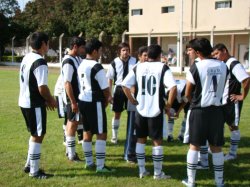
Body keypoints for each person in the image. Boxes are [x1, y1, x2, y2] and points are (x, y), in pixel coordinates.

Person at [122, 44, 177, 179]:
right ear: (159, 55)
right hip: (156, 109)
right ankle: (157, 173)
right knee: (157, 141)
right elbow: (173, 87)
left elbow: (124, 85)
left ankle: (142, 170)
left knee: (140, 140)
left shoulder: (138, 66)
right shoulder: (163, 67)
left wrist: (133, 100)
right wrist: (168, 105)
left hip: (140, 109)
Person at [181, 38, 228, 187]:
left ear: (198, 52)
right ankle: (219, 182)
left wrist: (192, 101)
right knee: (216, 147)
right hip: (216, 111)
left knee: (194, 145)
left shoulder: (196, 67)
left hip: (199, 111)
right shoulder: (223, 65)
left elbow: (188, 93)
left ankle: (191, 181)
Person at [19, 32, 57, 179]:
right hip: (34, 103)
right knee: (38, 135)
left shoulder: (27, 57)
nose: (48, 46)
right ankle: (34, 172)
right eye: (47, 43)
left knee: (34, 133)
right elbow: (42, 87)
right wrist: (51, 100)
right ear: (43, 44)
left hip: (24, 101)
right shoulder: (40, 61)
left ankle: (29, 164)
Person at [78, 38, 115, 173]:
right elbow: (105, 88)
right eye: (100, 51)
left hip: (82, 101)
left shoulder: (81, 64)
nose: (100, 53)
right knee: (101, 133)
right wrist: (109, 98)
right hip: (94, 102)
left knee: (87, 132)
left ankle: (89, 163)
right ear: (94, 51)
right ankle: (100, 166)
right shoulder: (96, 66)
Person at [213, 43, 250, 161]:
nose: (216, 57)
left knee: (233, 126)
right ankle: (216, 148)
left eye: (217, 53)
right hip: (222, 101)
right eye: (214, 55)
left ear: (224, 50)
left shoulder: (234, 63)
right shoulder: (225, 63)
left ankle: (232, 153)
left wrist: (242, 96)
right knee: (219, 124)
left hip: (232, 102)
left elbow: (246, 79)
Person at [106, 42, 137, 144]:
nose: (126, 52)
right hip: (119, 89)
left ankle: (131, 135)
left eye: (127, 50)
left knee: (132, 114)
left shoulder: (134, 61)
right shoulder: (114, 63)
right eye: (123, 50)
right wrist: (109, 95)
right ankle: (114, 136)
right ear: (119, 51)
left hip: (131, 89)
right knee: (117, 113)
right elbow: (109, 79)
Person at [61, 36, 85, 161]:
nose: (83, 50)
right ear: (75, 46)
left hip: (77, 98)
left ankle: (69, 152)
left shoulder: (76, 59)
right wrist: (73, 102)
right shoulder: (68, 61)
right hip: (73, 99)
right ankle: (71, 154)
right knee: (72, 124)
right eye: (82, 47)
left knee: (73, 123)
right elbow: (67, 83)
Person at [124, 46, 148, 164]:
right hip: (135, 103)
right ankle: (129, 154)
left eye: (148, 55)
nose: (147, 58)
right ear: (139, 56)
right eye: (144, 55)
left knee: (140, 131)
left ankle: (138, 154)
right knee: (132, 130)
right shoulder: (136, 68)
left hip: (144, 104)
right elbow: (128, 85)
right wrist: (134, 97)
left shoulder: (148, 68)